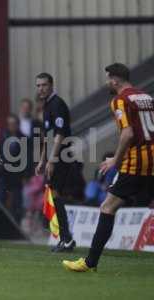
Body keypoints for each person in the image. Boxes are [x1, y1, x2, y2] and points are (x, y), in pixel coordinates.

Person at [63, 63, 154, 272]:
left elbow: (128, 133)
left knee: (107, 207)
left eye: (108, 79)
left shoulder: (120, 100)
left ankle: (89, 262)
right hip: (152, 158)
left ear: (115, 79)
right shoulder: (146, 97)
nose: (107, 83)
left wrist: (115, 160)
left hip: (136, 161)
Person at [35, 72, 76, 252]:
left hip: (61, 155)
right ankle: (64, 238)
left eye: (44, 85)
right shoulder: (47, 106)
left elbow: (60, 134)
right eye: (38, 85)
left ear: (51, 85)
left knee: (56, 193)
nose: (41, 88)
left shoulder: (57, 105)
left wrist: (52, 159)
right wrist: (42, 160)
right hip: (54, 155)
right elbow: (48, 136)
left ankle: (67, 239)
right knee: (53, 193)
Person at [0, 114, 26, 223]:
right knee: (0, 199)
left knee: (17, 202)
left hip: (17, 175)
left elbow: (27, 158)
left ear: (17, 125)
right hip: (3, 174)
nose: (11, 126)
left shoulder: (23, 139)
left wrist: (26, 175)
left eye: (13, 123)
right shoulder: (3, 137)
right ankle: (0, 223)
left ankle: (17, 224)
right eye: (9, 124)